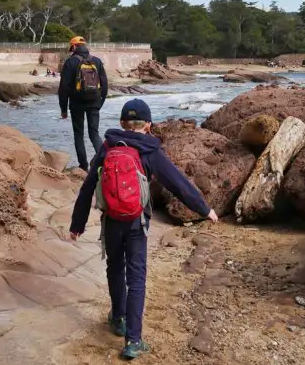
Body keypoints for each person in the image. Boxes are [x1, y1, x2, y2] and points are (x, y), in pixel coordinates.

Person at [69, 99, 218, 360]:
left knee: (115, 267)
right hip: (137, 222)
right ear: (148, 125)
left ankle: (118, 318)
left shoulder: (108, 145)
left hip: (111, 221)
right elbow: (178, 183)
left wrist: (77, 224)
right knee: (136, 277)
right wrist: (205, 209)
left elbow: (88, 186)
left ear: (121, 123)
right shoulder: (151, 149)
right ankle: (133, 341)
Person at [58, 36, 109, 171]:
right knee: (94, 133)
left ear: (74, 47)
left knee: (78, 134)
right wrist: (100, 102)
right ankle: (104, 162)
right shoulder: (97, 61)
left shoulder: (70, 62)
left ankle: (83, 166)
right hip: (94, 103)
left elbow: (63, 87)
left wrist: (63, 109)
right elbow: (104, 85)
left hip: (76, 104)